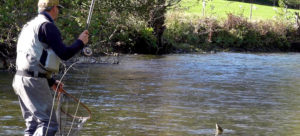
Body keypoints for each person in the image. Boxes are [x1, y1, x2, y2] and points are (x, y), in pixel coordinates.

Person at [12, 0, 89, 135]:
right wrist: (80, 42)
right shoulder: (47, 26)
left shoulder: (29, 26)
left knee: (33, 124)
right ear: (53, 8)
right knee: (49, 124)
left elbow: (32, 56)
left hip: (20, 79)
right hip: (33, 81)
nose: (58, 11)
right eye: (58, 8)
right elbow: (64, 54)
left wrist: (51, 81)